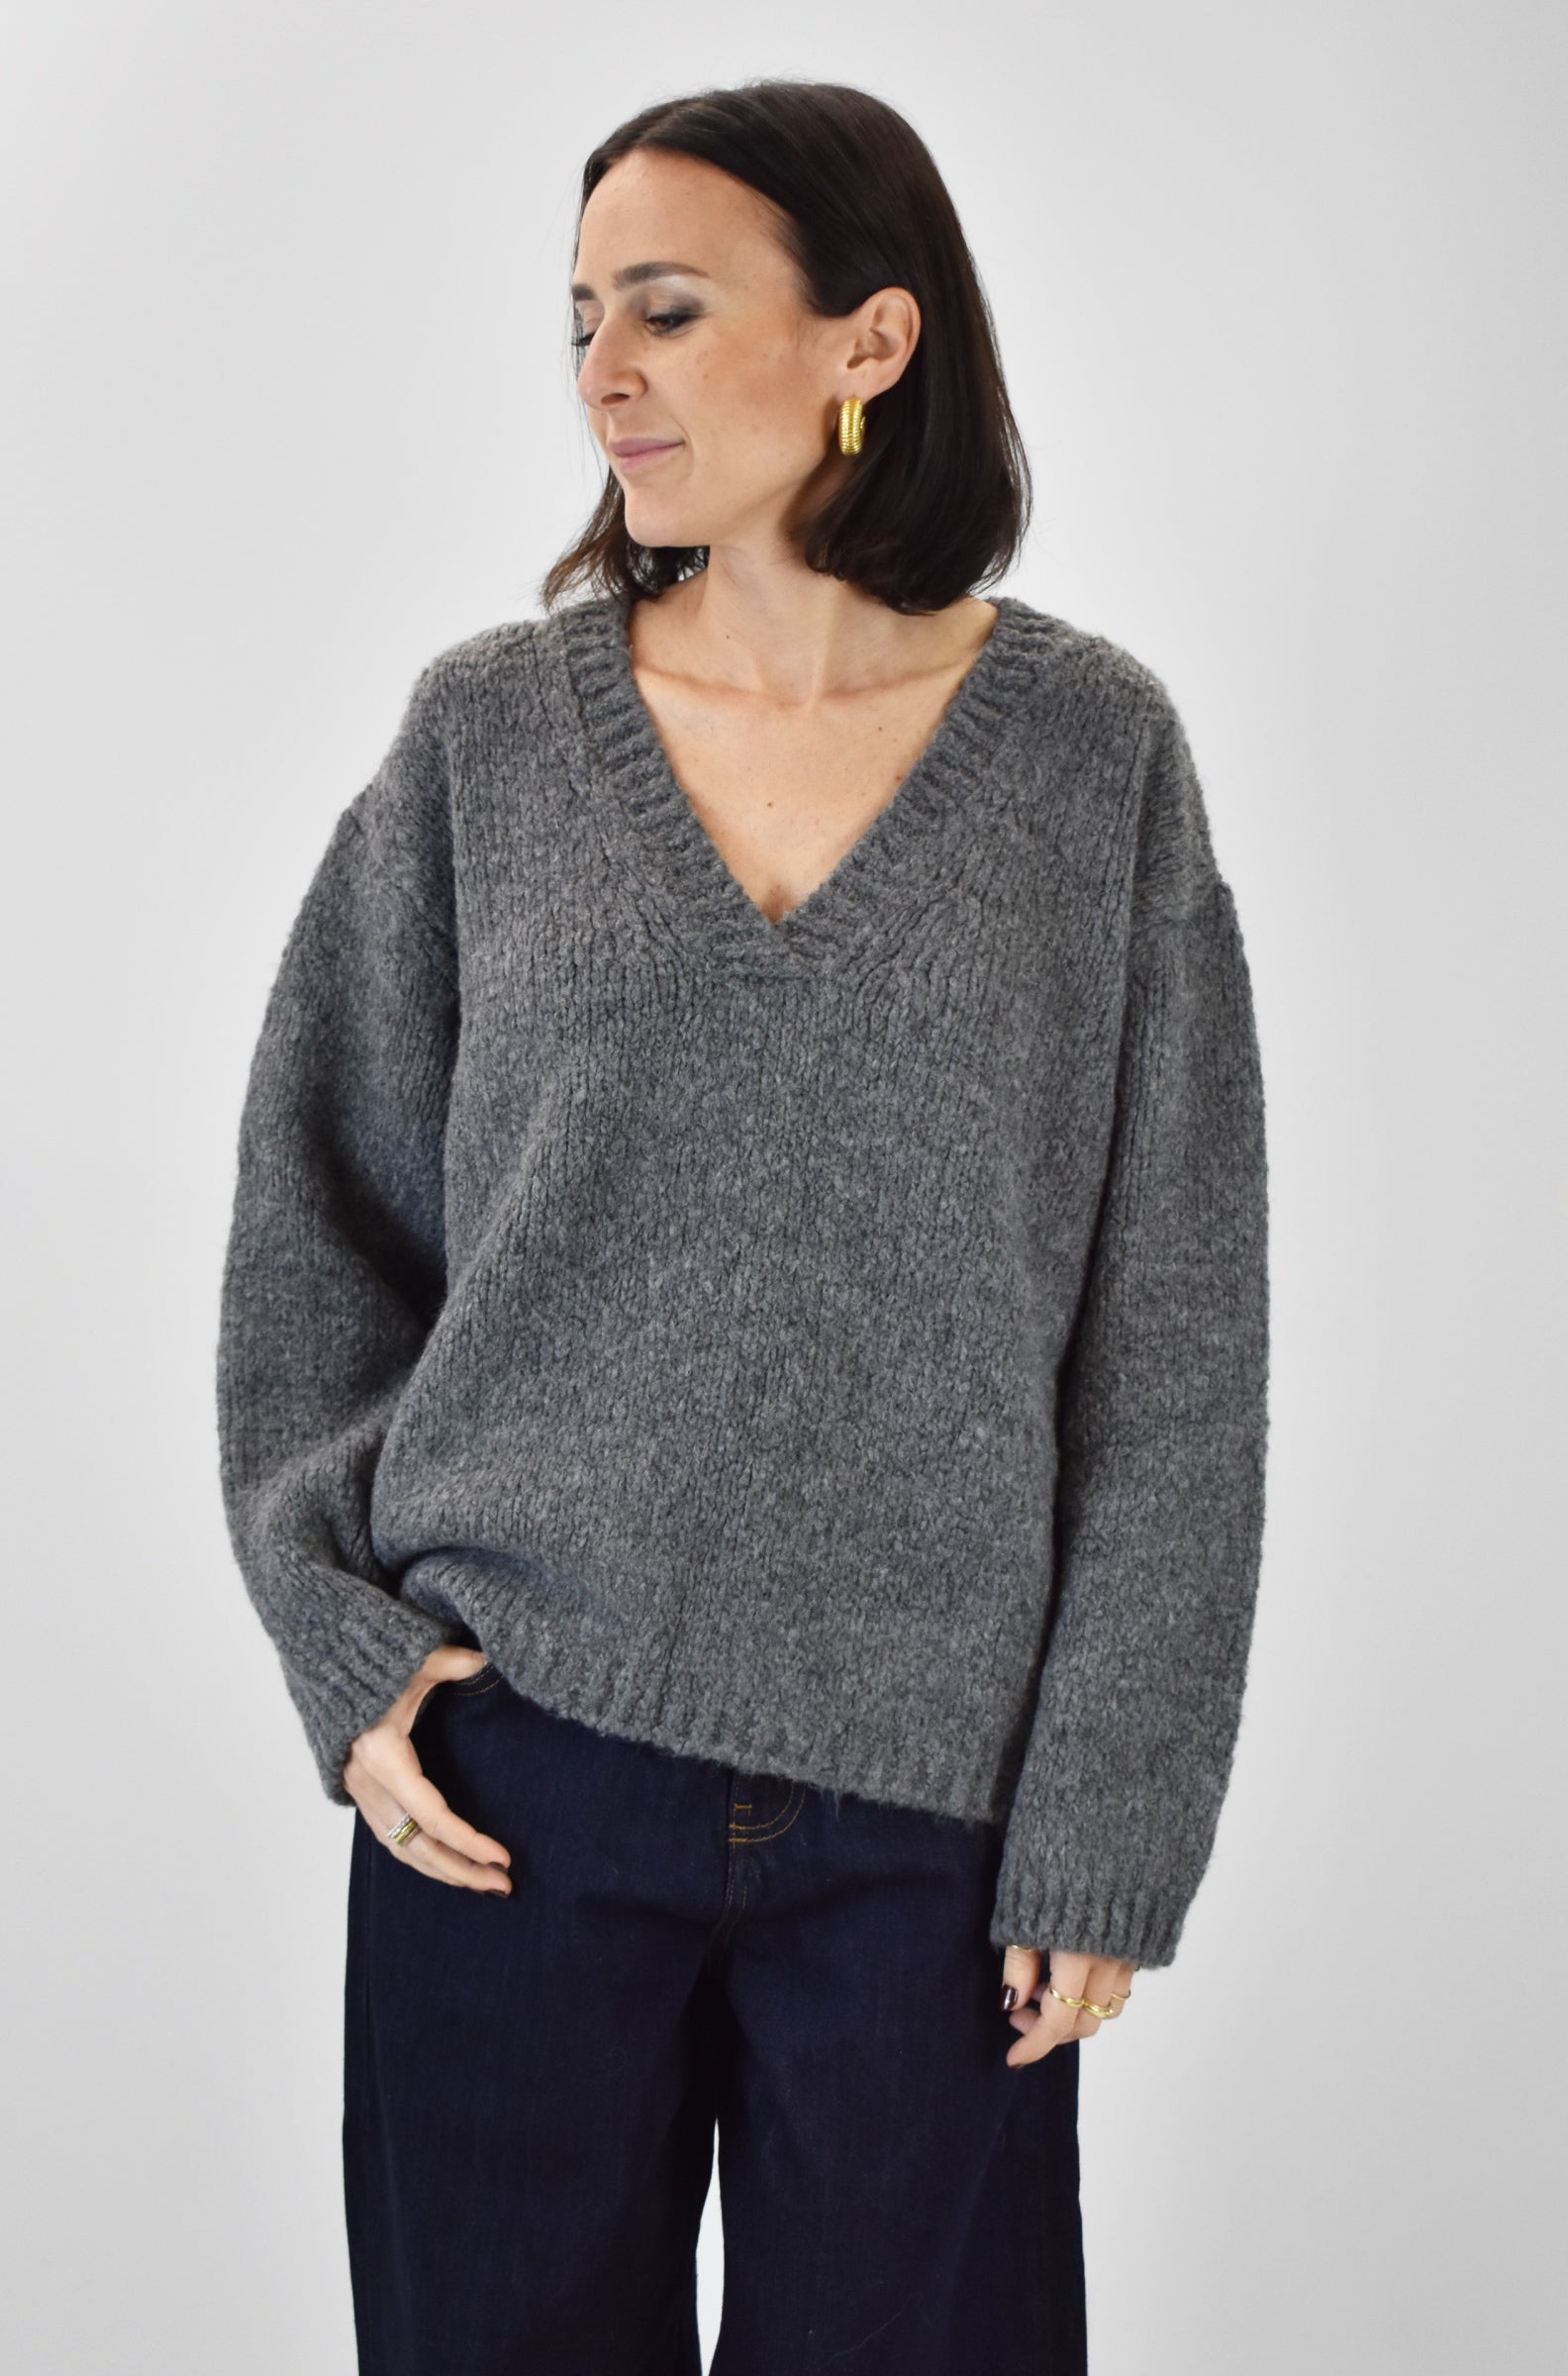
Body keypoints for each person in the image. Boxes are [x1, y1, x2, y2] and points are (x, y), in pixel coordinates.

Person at [216, 78, 1269, 2376]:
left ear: (868, 341)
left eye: (668, 311)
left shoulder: (1088, 760)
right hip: (514, 1783)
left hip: (936, 1832)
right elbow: (318, 1226)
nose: (603, 371)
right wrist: (339, 1643)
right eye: (580, 317)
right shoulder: (487, 743)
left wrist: (1111, 1814)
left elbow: (1173, 1343)